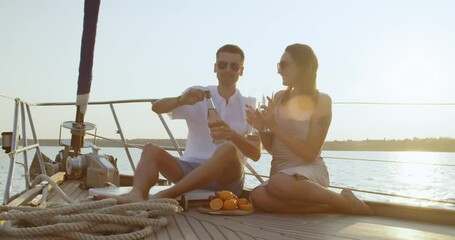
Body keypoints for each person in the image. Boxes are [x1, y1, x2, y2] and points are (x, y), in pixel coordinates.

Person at [98, 44, 261, 203]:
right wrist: (181, 100)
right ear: (215, 67)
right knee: (150, 149)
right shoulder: (197, 94)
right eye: (223, 64)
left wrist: (231, 135)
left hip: (227, 179)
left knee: (228, 149)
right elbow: (157, 108)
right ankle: (137, 193)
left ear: (241, 71)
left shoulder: (249, 105)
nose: (227, 70)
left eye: (234, 66)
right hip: (189, 170)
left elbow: (255, 154)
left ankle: (167, 194)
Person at [246, 43, 372, 215]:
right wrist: (262, 128)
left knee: (277, 183)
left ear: (303, 66)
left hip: (308, 172)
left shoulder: (322, 101)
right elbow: (274, 149)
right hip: (281, 175)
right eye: (278, 65)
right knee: (257, 196)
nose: (279, 70)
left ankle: (341, 201)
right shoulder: (279, 97)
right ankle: (331, 206)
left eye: (284, 65)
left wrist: (274, 126)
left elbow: (310, 153)